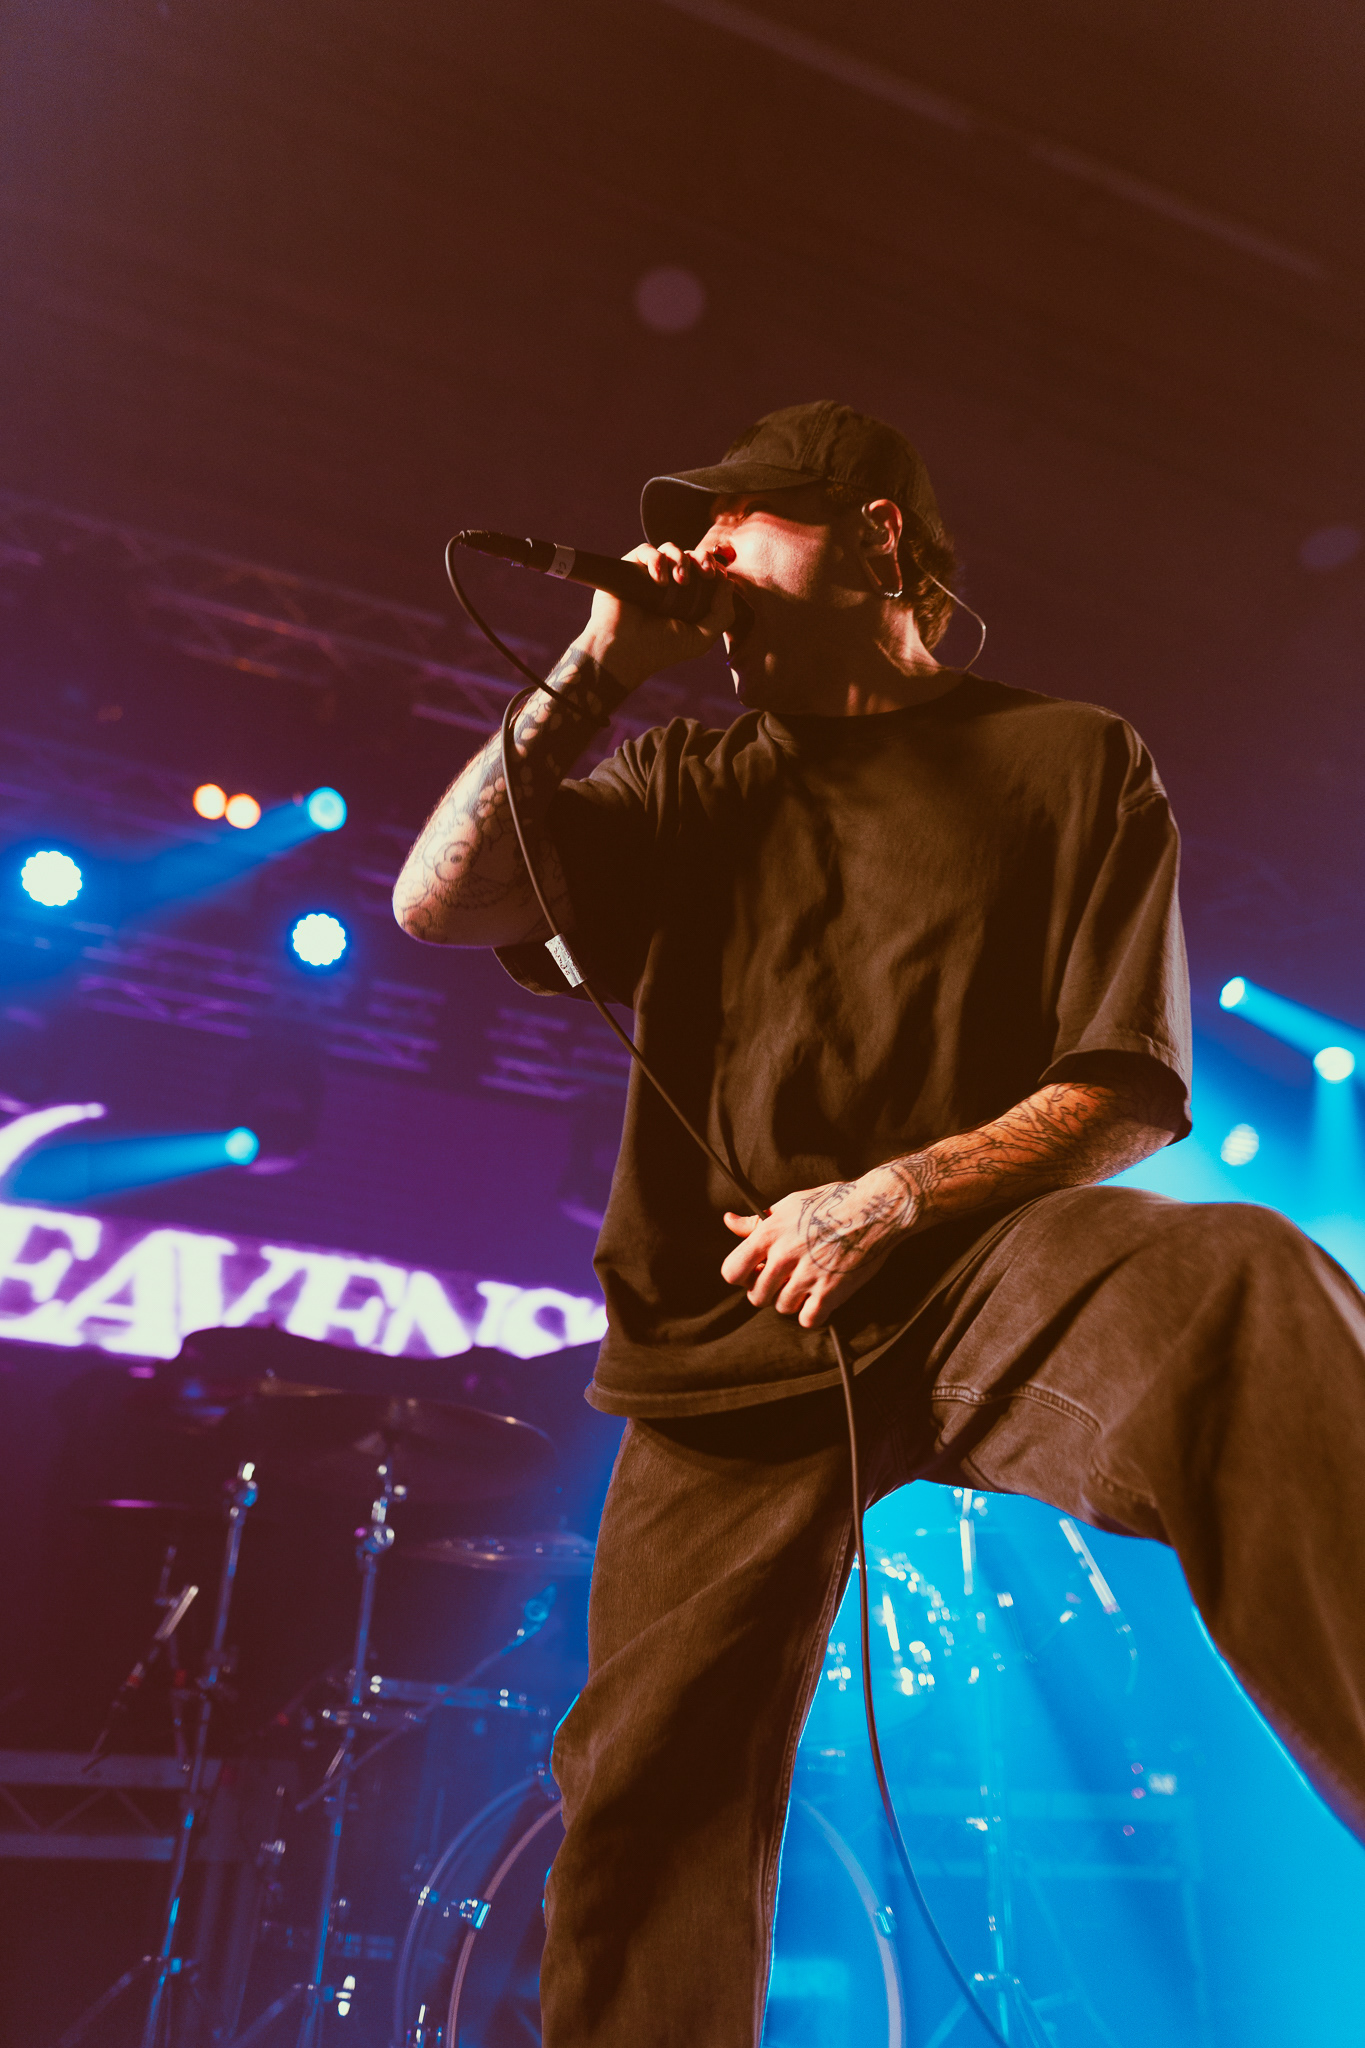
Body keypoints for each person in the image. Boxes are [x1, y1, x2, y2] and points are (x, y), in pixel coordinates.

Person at [393, 401, 1365, 2047]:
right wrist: (598, 666)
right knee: (641, 1803)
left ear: (873, 533)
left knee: (1243, 1287)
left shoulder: (1067, 757)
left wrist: (894, 1192)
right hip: (726, 1331)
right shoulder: (685, 777)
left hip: (974, 1265)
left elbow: (1127, 1087)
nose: (699, 553)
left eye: (737, 522)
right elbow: (440, 900)